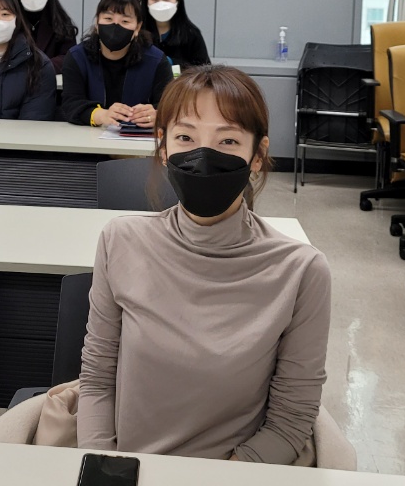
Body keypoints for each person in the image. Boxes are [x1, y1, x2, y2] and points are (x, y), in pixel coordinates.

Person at [78, 65, 331, 464]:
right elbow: (96, 380)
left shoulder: (301, 271)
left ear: (258, 155)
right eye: (185, 137)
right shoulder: (120, 241)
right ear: (163, 148)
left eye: (228, 140)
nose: (204, 156)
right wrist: (104, 468)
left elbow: (290, 420)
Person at [60, 0, 173, 127]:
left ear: (137, 28)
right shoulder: (77, 57)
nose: (115, 26)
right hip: (90, 135)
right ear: (97, 23)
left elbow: (170, 107)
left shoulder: (156, 61)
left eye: (125, 21)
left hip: (139, 136)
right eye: (108, 19)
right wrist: (101, 115)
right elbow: (71, 104)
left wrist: (157, 115)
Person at [141, 0, 211, 69]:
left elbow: (204, 70)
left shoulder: (191, 34)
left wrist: (172, 62)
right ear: (146, 1)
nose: (161, 4)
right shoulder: (138, 32)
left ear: (178, 0)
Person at [15, 0, 78, 73]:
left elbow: (68, 57)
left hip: (49, 79)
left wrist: (42, 66)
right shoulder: (10, 21)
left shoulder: (62, 22)